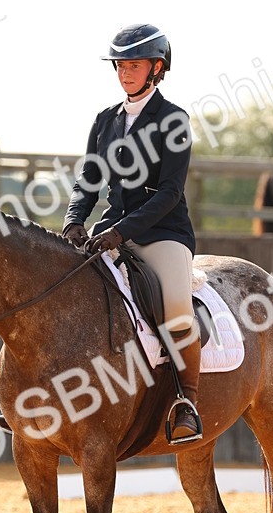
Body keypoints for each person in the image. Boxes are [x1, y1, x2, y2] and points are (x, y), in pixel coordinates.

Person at [62, 23, 202, 442]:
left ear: (157, 68)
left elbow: (170, 192)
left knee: (176, 306)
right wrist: (74, 219)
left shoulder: (173, 119)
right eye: (120, 66)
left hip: (162, 233)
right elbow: (89, 179)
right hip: (110, 230)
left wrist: (121, 232)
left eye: (134, 65)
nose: (125, 73)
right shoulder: (105, 121)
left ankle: (187, 401)